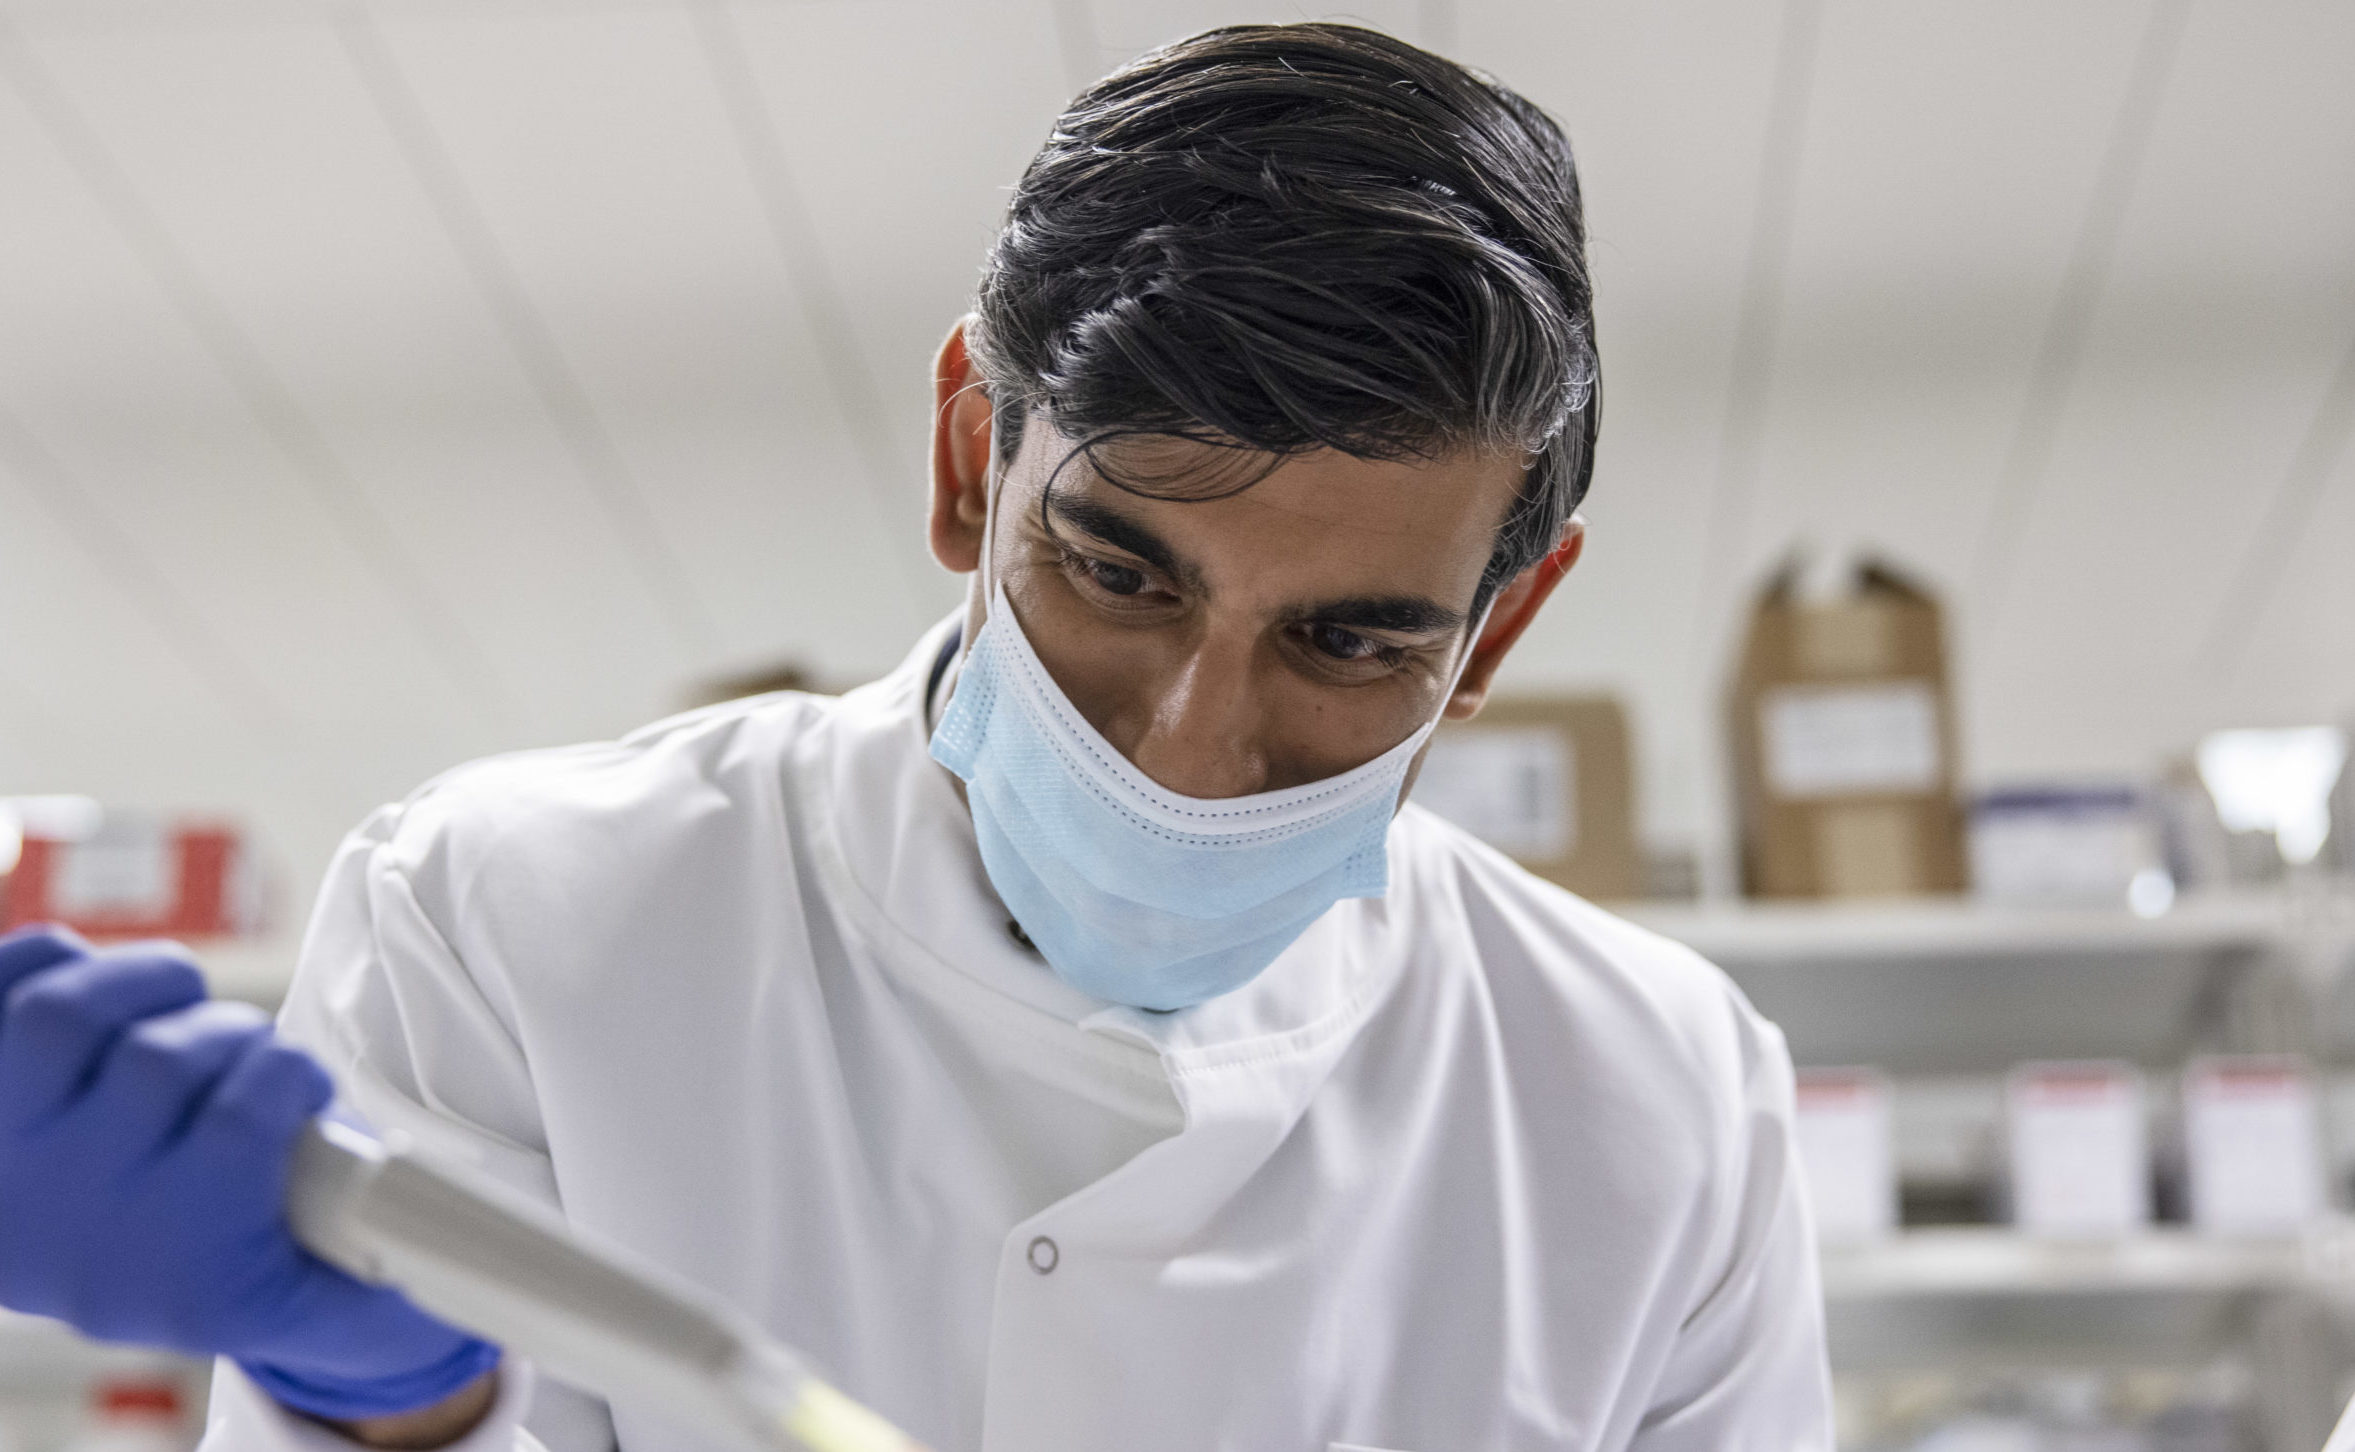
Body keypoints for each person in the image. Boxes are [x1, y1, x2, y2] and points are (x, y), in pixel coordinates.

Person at [0, 23, 1830, 1452]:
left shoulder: (1651, 1093)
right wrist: (393, 1398)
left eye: (1352, 641)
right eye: (1117, 573)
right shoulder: (509, 917)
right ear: (972, 460)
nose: (1189, 752)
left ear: (1499, 625)